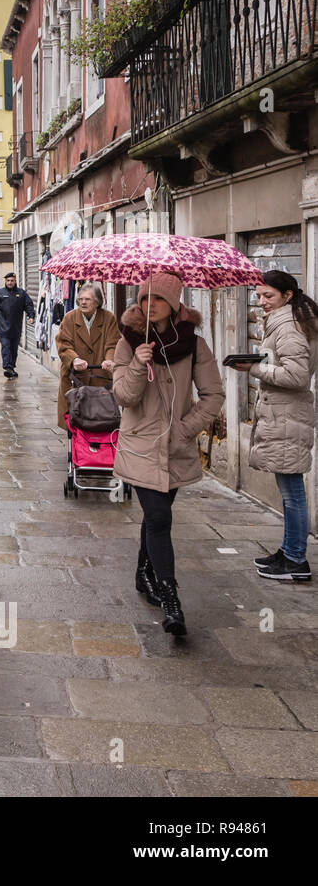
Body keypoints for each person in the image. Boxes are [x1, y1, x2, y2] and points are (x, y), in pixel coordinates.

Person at [113, 272, 225, 635]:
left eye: (158, 299)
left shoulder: (194, 345)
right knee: (160, 518)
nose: (149, 305)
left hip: (175, 445)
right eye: (145, 299)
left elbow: (213, 396)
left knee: (155, 515)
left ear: (174, 303)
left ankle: (144, 573)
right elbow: (124, 397)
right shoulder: (130, 341)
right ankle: (171, 598)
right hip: (140, 443)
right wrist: (136, 363)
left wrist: (184, 429)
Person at [230, 269, 317, 582]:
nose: (262, 301)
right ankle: (288, 550)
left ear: (287, 295)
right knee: (289, 492)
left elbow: (297, 376)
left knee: (293, 493)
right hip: (283, 416)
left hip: (288, 418)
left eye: (268, 295)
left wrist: (255, 369)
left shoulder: (289, 326)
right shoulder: (286, 321)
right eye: (259, 295)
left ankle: (295, 560)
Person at [54, 283, 119, 429]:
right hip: (75, 378)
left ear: (97, 301)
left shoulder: (108, 318)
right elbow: (63, 344)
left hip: (100, 377)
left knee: (100, 421)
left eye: (88, 299)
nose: (83, 302)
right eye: (80, 299)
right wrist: (74, 359)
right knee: (74, 421)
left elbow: (113, 343)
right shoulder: (69, 318)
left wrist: (109, 359)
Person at [0, 271, 35, 377]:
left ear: (15, 281)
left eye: (12, 281)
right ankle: (7, 367)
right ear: (5, 281)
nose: (10, 283)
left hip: (16, 328)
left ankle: (11, 368)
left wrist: (31, 316)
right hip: (3, 328)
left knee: (14, 350)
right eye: (8, 281)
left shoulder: (21, 293)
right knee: (6, 347)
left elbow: (29, 305)